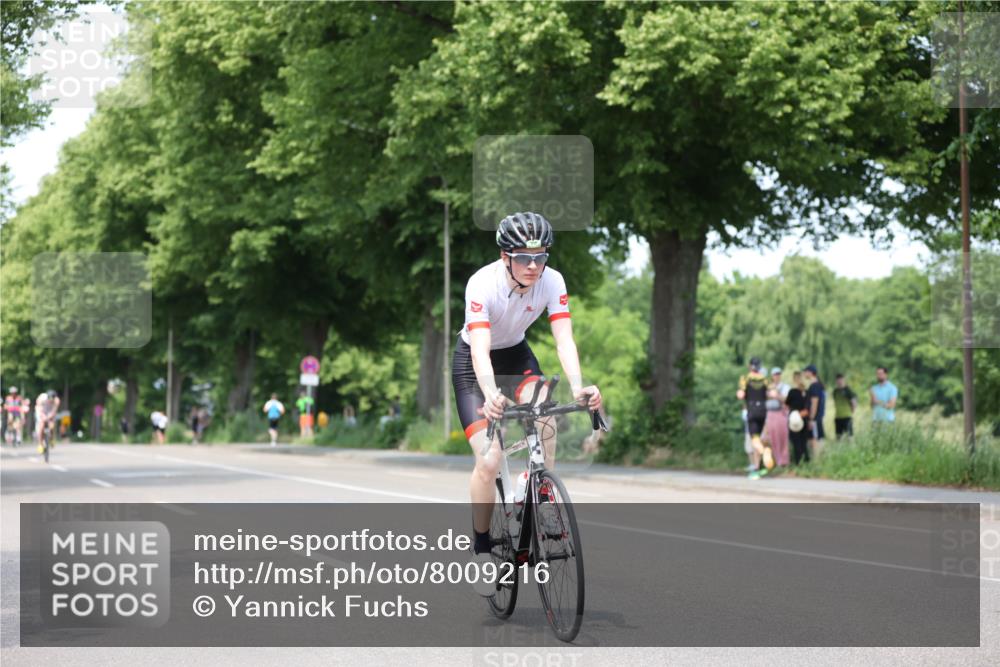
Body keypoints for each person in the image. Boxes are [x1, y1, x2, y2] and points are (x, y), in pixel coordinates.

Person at [452, 212, 601, 594]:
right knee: (488, 461)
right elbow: (480, 350)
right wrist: (491, 394)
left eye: (540, 257)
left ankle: (541, 490)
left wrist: (578, 386)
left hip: (517, 356)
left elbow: (564, 339)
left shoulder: (552, 280)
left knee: (545, 409)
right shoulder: (481, 284)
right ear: (505, 256)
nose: (533, 266)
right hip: (474, 366)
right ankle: (481, 547)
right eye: (523, 258)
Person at [737, 357, 774, 478]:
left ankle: (764, 453)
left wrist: (742, 394)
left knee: (755, 439)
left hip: (752, 410)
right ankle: (758, 467)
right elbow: (772, 394)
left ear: (750, 366)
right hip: (763, 411)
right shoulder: (765, 379)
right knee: (760, 438)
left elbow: (741, 395)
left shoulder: (745, 378)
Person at [764, 367, 791, 467]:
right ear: (772, 376)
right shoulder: (768, 387)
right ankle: (774, 461)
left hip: (781, 413)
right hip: (770, 414)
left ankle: (784, 461)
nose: (777, 376)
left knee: (782, 438)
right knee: (770, 438)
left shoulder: (785, 387)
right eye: (775, 374)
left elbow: (786, 400)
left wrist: (777, 395)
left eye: (778, 374)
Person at [785, 371, 810, 465]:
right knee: (804, 442)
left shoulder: (792, 392)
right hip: (804, 418)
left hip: (794, 419)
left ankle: (798, 462)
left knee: (796, 442)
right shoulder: (806, 392)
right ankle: (806, 461)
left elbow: (787, 404)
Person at [803, 364, 826, 459]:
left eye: (805, 371)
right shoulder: (817, 385)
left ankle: (817, 461)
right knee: (814, 439)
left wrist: (812, 419)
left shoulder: (814, 386)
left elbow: (814, 403)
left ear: (810, 373)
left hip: (815, 419)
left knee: (814, 440)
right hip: (817, 418)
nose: (804, 373)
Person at [832, 373, 858, 439]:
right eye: (838, 380)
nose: (839, 382)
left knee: (849, 436)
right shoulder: (835, 391)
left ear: (844, 380)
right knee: (838, 436)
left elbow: (854, 402)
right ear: (836, 381)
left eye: (841, 380)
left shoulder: (848, 390)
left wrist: (851, 411)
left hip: (847, 416)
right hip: (838, 416)